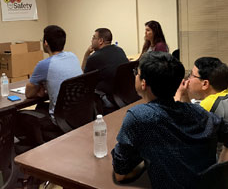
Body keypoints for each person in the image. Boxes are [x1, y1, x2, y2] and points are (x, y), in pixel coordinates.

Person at [112, 52, 228, 189]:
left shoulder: (138, 116)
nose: (135, 76)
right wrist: (220, 168)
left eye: (136, 73)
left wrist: (147, 161)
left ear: (143, 83)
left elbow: (121, 174)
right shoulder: (201, 113)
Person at [16, 25, 82, 147]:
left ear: (45, 43)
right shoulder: (73, 57)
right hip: (79, 114)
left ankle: (32, 148)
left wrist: (40, 89)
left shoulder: (44, 64)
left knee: (17, 116)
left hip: (60, 119)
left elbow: (29, 94)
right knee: (40, 106)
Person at [81, 28, 128, 112]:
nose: (91, 40)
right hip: (125, 96)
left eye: (93, 38)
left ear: (100, 41)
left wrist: (86, 54)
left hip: (108, 100)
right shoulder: (119, 50)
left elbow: (84, 80)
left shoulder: (94, 57)